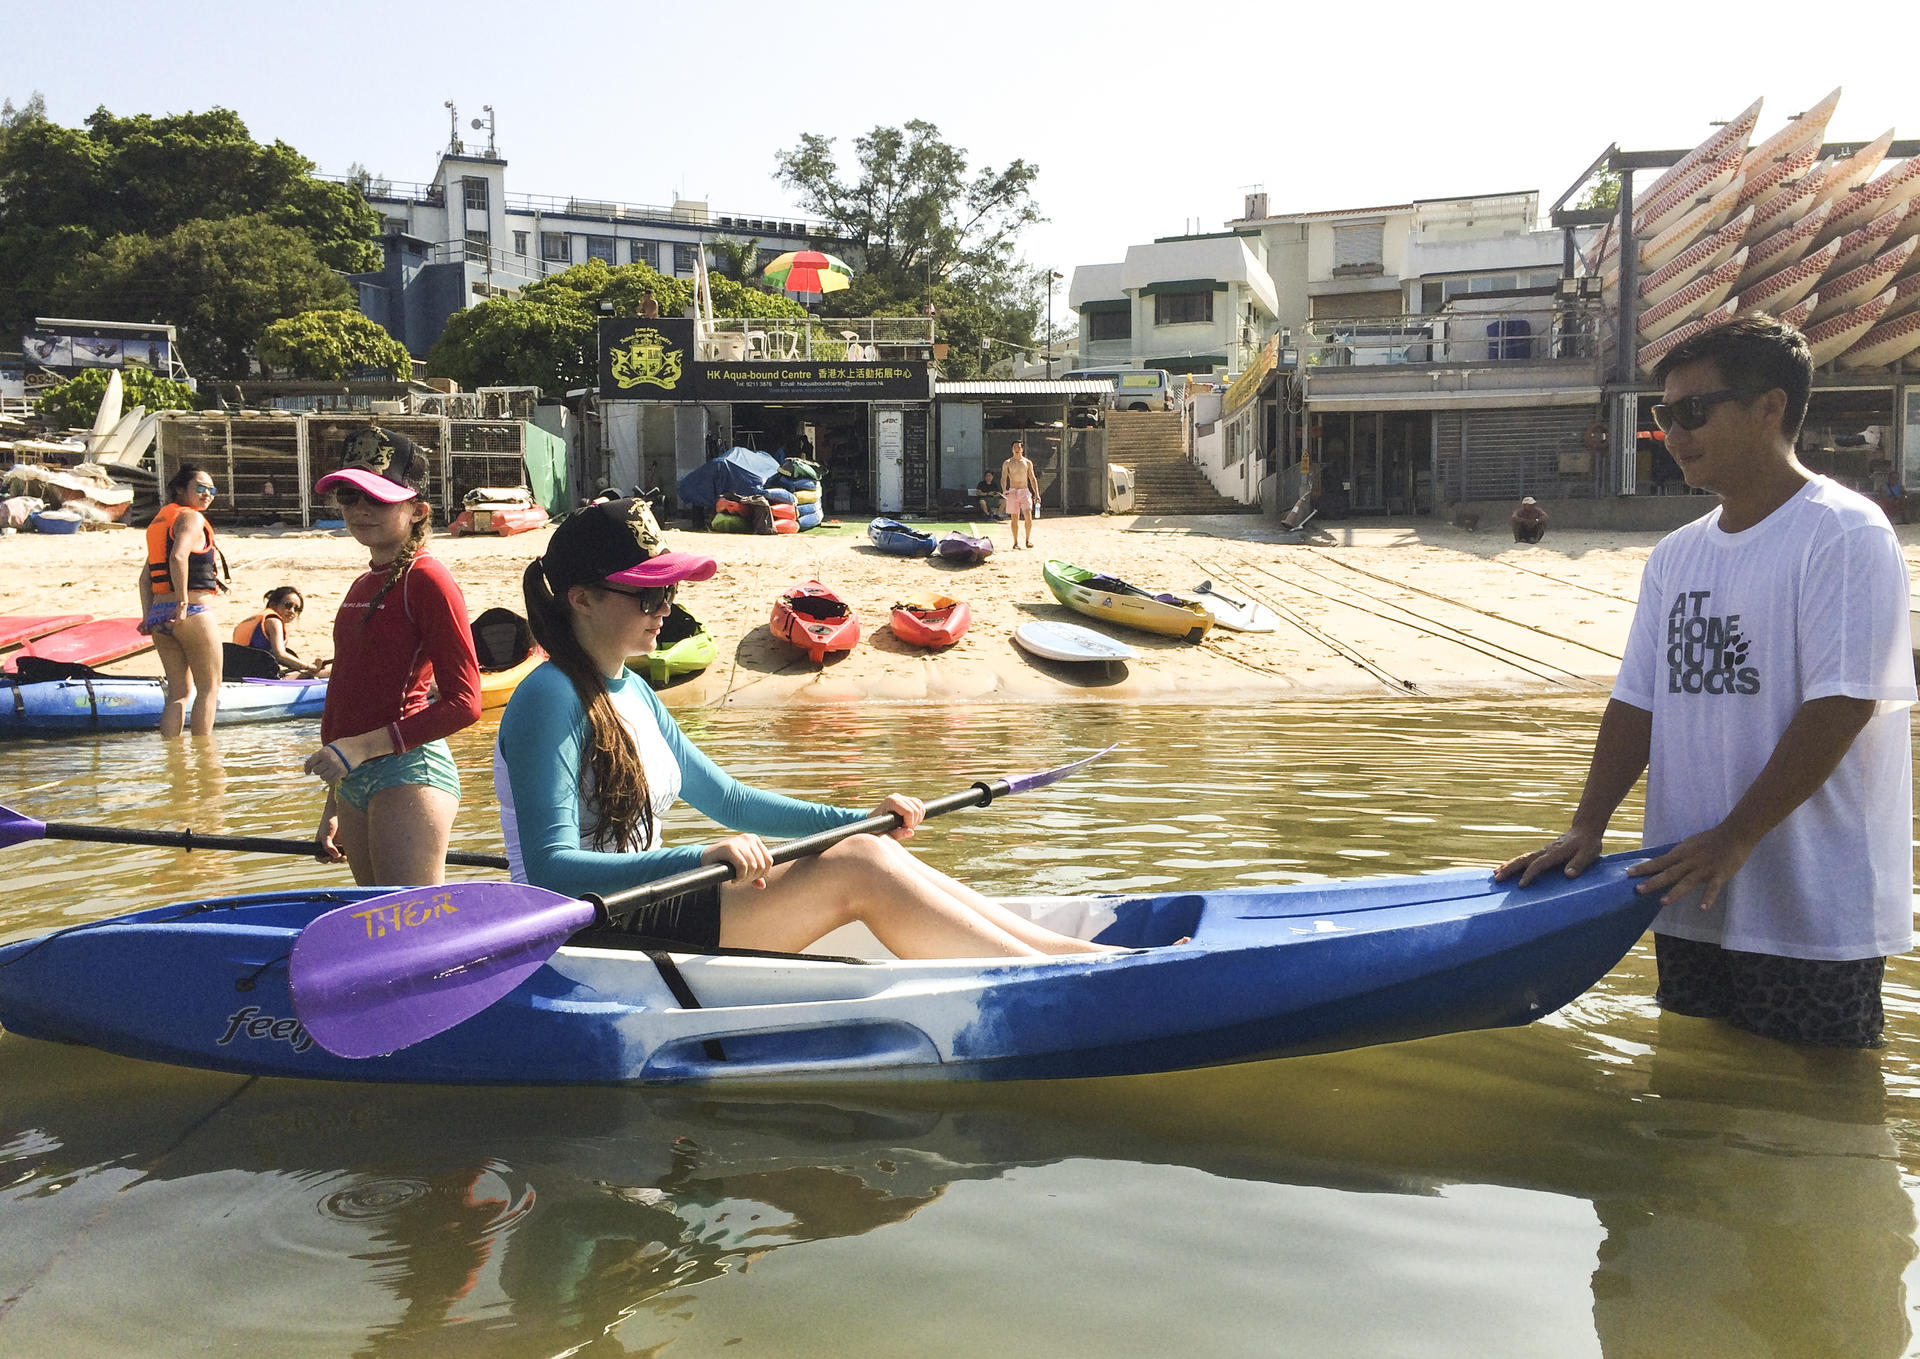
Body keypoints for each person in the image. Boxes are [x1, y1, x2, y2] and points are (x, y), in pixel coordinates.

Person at [1496, 314, 1914, 1048]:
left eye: (1694, 410)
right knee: (1694, 1099)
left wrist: (1736, 836)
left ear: (1769, 408)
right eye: (1664, 414)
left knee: (1816, 1118)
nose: (1674, 431)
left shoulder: (1843, 533)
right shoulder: (1676, 557)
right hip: (1689, 889)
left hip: (1806, 907)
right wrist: (1586, 825)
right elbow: (1637, 702)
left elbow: (1844, 703)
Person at [495, 498, 1122, 959]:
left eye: (670, 593)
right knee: (860, 871)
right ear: (581, 598)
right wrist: (700, 855)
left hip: (651, 905)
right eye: (647, 597)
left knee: (869, 848)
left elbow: (732, 800)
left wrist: (856, 820)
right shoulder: (547, 699)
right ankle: (1063, 974)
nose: (667, 611)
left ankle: (1072, 958)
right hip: (590, 934)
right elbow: (553, 870)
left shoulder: (632, 690)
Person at [303, 429, 483, 886]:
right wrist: (334, 796)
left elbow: (465, 703)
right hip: (354, 779)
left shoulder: (428, 579)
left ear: (417, 510)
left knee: (411, 929)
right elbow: (347, 692)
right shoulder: (363, 584)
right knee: (377, 925)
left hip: (409, 771)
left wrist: (358, 751)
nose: (360, 509)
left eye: (379, 499)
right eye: (349, 496)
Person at [137, 463, 224, 738]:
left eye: (211, 489)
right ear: (179, 489)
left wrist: (146, 617)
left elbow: (144, 578)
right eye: (200, 488)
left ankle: (173, 761)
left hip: (159, 614)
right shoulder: (191, 518)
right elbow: (177, 557)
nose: (207, 494)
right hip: (191, 612)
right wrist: (184, 603)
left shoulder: (161, 521)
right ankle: (203, 759)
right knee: (209, 689)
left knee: (178, 693)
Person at [231, 586, 329, 677]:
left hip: (237, 671)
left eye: (297, 609)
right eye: (288, 605)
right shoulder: (274, 621)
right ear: (274, 604)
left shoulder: (252, 620)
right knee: (325, 673)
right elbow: (280, 655)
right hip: (257, 675)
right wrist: (310, 667)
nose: (292, 611)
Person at [1000, 440, 1041, 550]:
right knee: (1014, 517)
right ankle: (1015, 542)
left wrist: (1037, 493)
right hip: (1013, 491)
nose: (1017, 449)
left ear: (1022, 449)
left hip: (1024, 490)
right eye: (1014, 447)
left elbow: (1032, 478)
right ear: (1012, 449)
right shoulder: (1007, 463)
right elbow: (1003, 478)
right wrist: (1004, 490)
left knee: (1028, 514)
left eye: (1018, 447)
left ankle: (1027, 540)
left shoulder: (1027, 462)